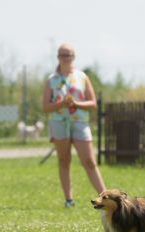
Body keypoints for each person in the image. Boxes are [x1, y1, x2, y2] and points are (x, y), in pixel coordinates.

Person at [42, 43, 106, 207]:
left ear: (73, 57)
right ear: (58, 57)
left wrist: (76, 104)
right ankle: (69, 199)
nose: (66, 58)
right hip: (59, 123)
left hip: (80, 122)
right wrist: (60, 104)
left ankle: (105, 198)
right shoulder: (51, 80)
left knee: (89, 161)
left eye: (69, 54)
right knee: (64, 160)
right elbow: (45, 107)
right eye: (63, 55)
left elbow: (92, 103)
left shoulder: (82, 77)